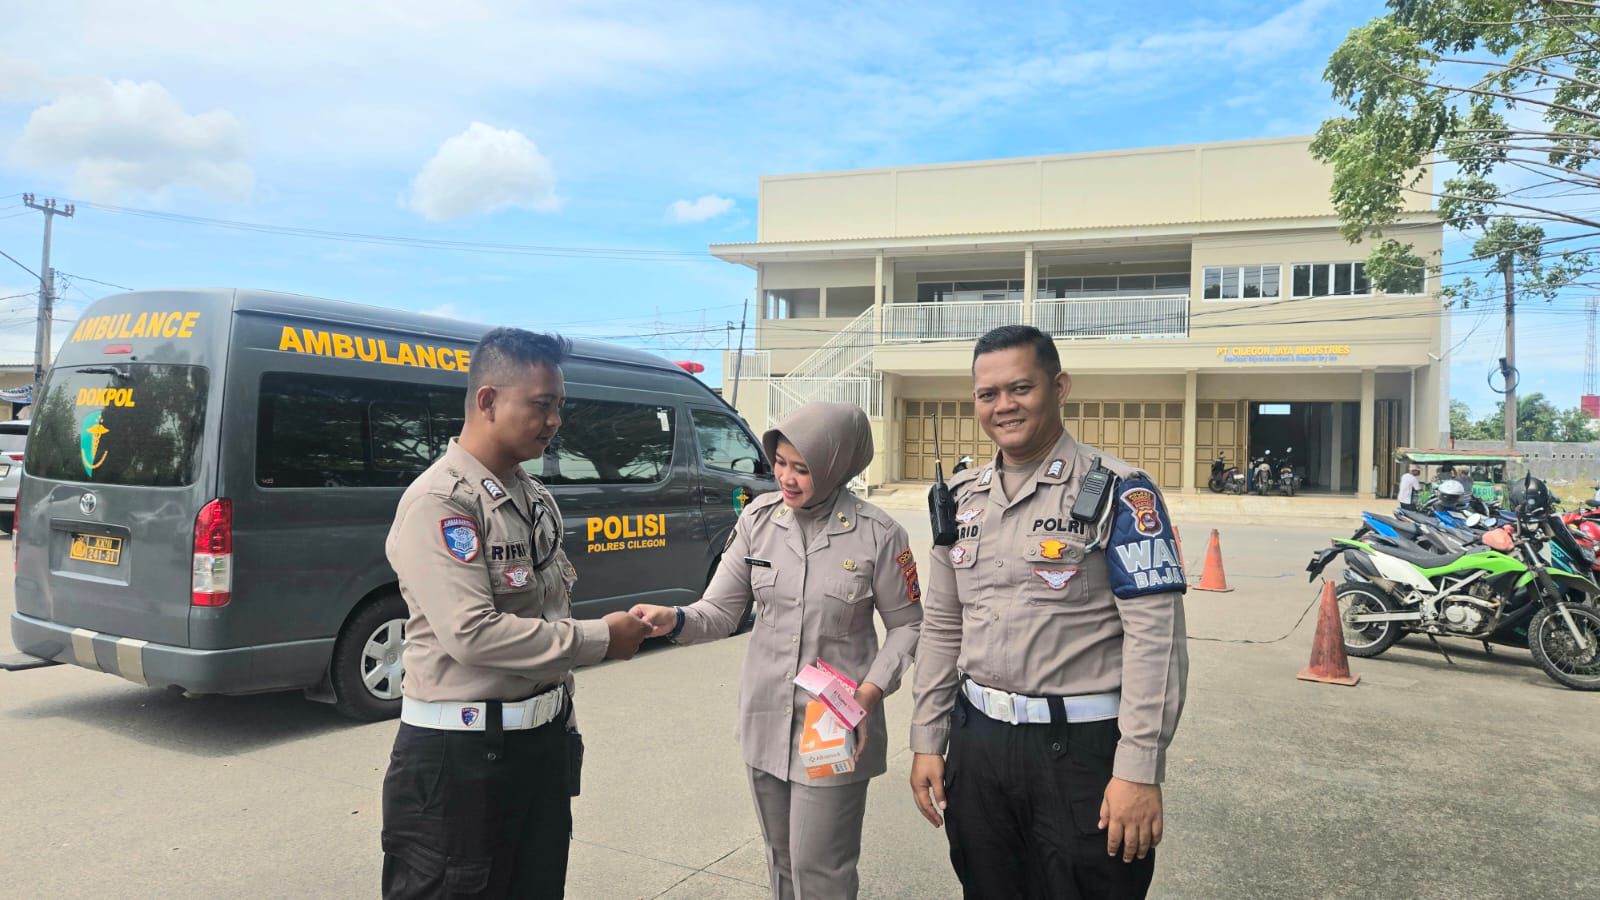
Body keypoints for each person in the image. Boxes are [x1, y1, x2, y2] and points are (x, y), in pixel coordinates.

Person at [908, 324, 1188, 899]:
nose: (1003, 406)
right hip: (978, 745)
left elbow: (1155, 640)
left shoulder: (1120, 492)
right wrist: (927, 737)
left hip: (1081, 753)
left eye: (1020, 388)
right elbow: (942, 624)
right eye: (988, 394)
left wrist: (1138, 768)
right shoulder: (959, 498)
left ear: (1058, 387)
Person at [380, 328, 652, 899]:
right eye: (541, 405)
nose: (554, 421)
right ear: (488, 401)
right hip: (460, 763)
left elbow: (546, 610)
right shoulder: (442, 501)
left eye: (559, 405)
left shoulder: (531, 496)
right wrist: (602, 638)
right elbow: (472, 634)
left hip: (538, 748)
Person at [632, 401, 923, 900]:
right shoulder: (759, 520)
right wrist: (674, 619)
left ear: (836, 466)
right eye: (780, 463)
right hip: (767, 718)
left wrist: (870, 692)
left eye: (802, 468)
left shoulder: (879, 535)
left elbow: (908, 625)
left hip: (835, 722)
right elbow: (719, 612)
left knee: (821, 868)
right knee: (781, 860)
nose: (786, 478)